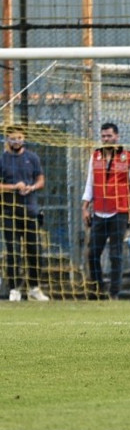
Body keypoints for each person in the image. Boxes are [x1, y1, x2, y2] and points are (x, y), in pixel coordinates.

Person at [81, 122, 130, 300]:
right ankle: (98, 288)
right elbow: (89, 185)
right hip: (99, 211)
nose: (106, 139)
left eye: (109, 136)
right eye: (104, 136)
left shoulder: (129, 157)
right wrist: (85, 207)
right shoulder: (95, 156)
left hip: (120, 211)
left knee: (116, 254)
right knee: (93, 252)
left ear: (117, 136)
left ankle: (114, 292)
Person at [0, 126, 49, 301]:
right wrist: (14, 187)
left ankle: (34, 288)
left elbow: (41, 180)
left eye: (19, 138)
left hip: (30, 210)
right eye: (12, 138)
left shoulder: (32, 158)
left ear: (24, 138)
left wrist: (31, 187)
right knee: (13, 251)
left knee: (34, 250)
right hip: (9, 211)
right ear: (7, 139)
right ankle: (14, 289)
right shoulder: (3, 159)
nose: (16, 141)